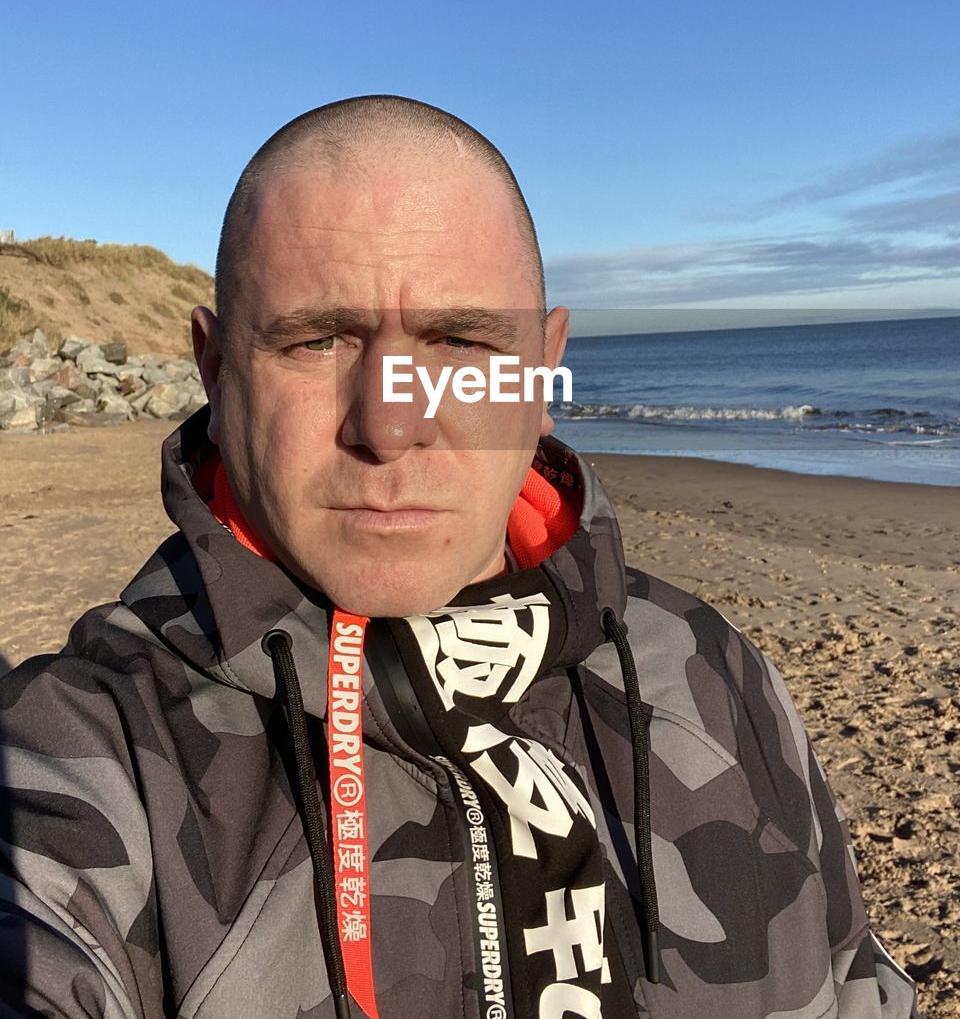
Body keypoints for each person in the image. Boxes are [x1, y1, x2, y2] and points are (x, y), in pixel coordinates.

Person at [0, 96, 916, 1019]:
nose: (391, 427)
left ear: (542, 374)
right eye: (318, 340)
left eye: (462, 342)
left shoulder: (714, 674)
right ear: (216, 368)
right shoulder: (87, 751)